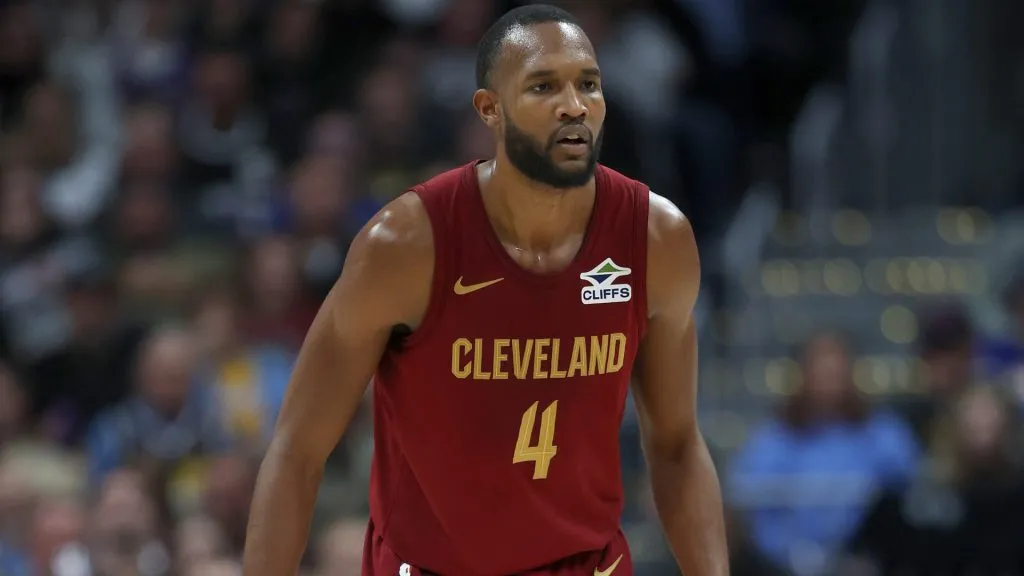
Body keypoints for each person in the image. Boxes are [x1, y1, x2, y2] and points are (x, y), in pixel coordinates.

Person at [242, 5, 728, 576]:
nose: (574, 106)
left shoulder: (655, 237)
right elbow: (298, 451)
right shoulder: (404, 244)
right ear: (490, 110)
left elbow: (675, 445)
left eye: (589, 85)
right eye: (544, 86)